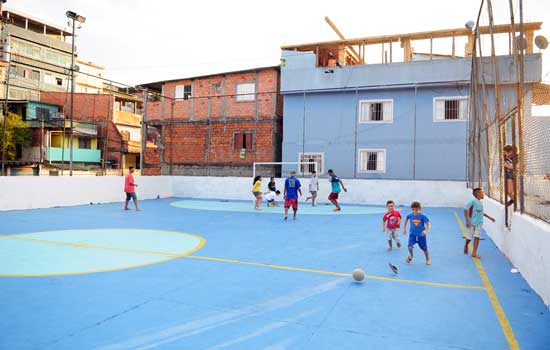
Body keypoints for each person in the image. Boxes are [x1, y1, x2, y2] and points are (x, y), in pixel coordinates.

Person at [463, 188, 495, 259]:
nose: (483, 194)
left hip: (479, 222)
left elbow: (481, 212)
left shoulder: (481, 202)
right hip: (471, 222)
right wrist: (467, 221)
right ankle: (466, 244)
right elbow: (465, 210)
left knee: (477, 236)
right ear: (478, 194)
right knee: (469, 237)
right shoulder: (472, 201)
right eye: (482, 193)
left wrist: (490, 218)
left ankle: (474, 253)